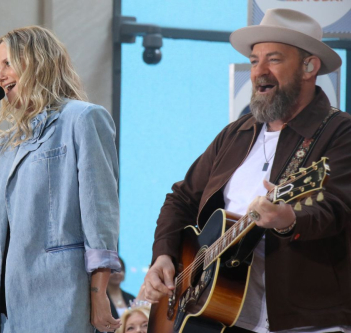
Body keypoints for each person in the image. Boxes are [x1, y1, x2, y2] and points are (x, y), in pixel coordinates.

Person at [144, 8, 351, 332]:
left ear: (309, 66)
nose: (259, 72)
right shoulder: (236, 133)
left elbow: (339, 208)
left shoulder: (339, 133)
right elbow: (181, 198)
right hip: (220, 317)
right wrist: (164, 256)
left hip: (307, 321)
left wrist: (289, 219)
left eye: (274, 59)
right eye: (255, 61)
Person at [0, 26, 121, 332]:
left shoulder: (81, 119)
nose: (0, 76)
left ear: (37, 60)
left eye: (8, 64)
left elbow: (100, 217)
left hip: (55, 300)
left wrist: (98, 297)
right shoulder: (1, 146)